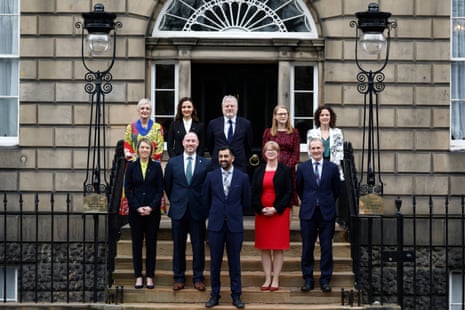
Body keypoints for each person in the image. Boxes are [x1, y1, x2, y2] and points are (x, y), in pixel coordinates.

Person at [203, 146, 251, 309]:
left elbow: (246, 201)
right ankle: (214, 295)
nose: (223, 159)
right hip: (216, 225)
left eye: (226, 156)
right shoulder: (210, 177)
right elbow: (206, 200)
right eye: (220, 156)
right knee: (214, 263)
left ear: (233, 158)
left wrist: (233, 213)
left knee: (235, 263)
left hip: (234, 225)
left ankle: (236, 295)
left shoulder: (243, 177)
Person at [164, 132, 211, 292]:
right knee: (178, 246)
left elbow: (208, 187)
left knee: (198, 246)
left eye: (193, 141)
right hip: (178, 209)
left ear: (198, 144)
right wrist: (177, 200)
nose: (190, 143)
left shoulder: (205, 163)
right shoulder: (173, 162)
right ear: (183, 143)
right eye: (187, 141)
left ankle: (198, 277)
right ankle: (179, 277)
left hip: (198, 210)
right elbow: (168, 185)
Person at [296, 138, 341, 293]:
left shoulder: (333, 168)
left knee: (326, 247)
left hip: (326, 212)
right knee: (307, 247)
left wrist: (324, 202)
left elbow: (336, 190)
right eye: (313, 148)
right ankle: (308, 279)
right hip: (308, 212)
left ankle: (325, 279)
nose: (315, 151)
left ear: (323, 149)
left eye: (318, 148)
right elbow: (299, 189)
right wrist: (310, 201)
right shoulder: (302, 168)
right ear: (309, 150)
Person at [251, 141, 293, 292]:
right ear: (264, 153)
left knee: (277, 247)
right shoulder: (258, 170)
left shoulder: (285, 170)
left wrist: (275, 208)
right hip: (262, 214)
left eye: (273, 150)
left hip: (279, 214)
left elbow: (289, 192)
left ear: (278, 153)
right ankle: (267, 277)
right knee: (264, 247)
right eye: (268, 150)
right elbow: (254, 191)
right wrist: (261, 208)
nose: (270, 152)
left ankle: (276, 278)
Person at [124, 138, 164, 290]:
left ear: (151, 150)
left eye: (147, 148)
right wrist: (137, 207)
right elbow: (128, 189)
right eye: (142, 147)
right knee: (137, 245)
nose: (145, 150)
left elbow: (160, 189)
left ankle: (150, 276)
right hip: (136, 213)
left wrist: (151, 207)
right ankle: (138, 276)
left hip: (152, 213)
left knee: (151, 245)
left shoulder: (156, 167)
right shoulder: (131, 167)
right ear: (137, 149)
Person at [120, 98, 165, 216]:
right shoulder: (131, 127)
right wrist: (137, 161)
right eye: (142, 108)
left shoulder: (157, 127)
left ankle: (151, 209)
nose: (145, 111)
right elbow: (127, 147)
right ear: (138, 110)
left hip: (152, 167)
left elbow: (160, 148)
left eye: (147, 108)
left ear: (151, 111)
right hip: (134, 167)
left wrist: (150, 160)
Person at [262, 104, 300, 206]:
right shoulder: (268, 132)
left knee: (287, 199)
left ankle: (287, 221)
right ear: (275, 116)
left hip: (289, 170)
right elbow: (265, 152)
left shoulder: (294, 132)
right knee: (272, 194)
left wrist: (285, 168)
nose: (283, 116)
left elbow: (296, 153)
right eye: (280, 114)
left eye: (285, 114)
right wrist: (274, 166)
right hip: (271, 169)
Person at [206, 95, 253, 173]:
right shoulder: (213, 123)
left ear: (237, 108)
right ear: (222, 108)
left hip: (239, 165)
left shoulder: (246, 124)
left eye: (232, 106)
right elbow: (210, 145)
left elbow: (248, 145)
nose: (229, 108)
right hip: (218, 165)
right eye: (227, 106)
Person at [306, 106, 344, 180]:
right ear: (318, 118)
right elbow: (310, 152)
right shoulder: (312, 133)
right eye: (322, 115)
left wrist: (331, 168)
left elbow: (339, 153)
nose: (325, 117)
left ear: (331, 117)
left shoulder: (338, 132)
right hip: (317, 167)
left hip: (333, 166)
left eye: (327, 115)